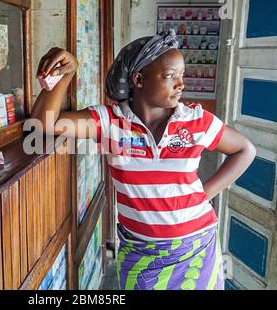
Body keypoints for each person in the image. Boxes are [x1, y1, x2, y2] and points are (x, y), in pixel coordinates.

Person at [30, 30, 256, 290]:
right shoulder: (110, 122)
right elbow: (42, 124)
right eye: (170, 76)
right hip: (140, 251)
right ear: (139, 79)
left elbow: (245, 150)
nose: (181, 84)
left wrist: (203, 195)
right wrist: (67, 74)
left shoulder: (196, 121)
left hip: (196, 247)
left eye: (181, 75)